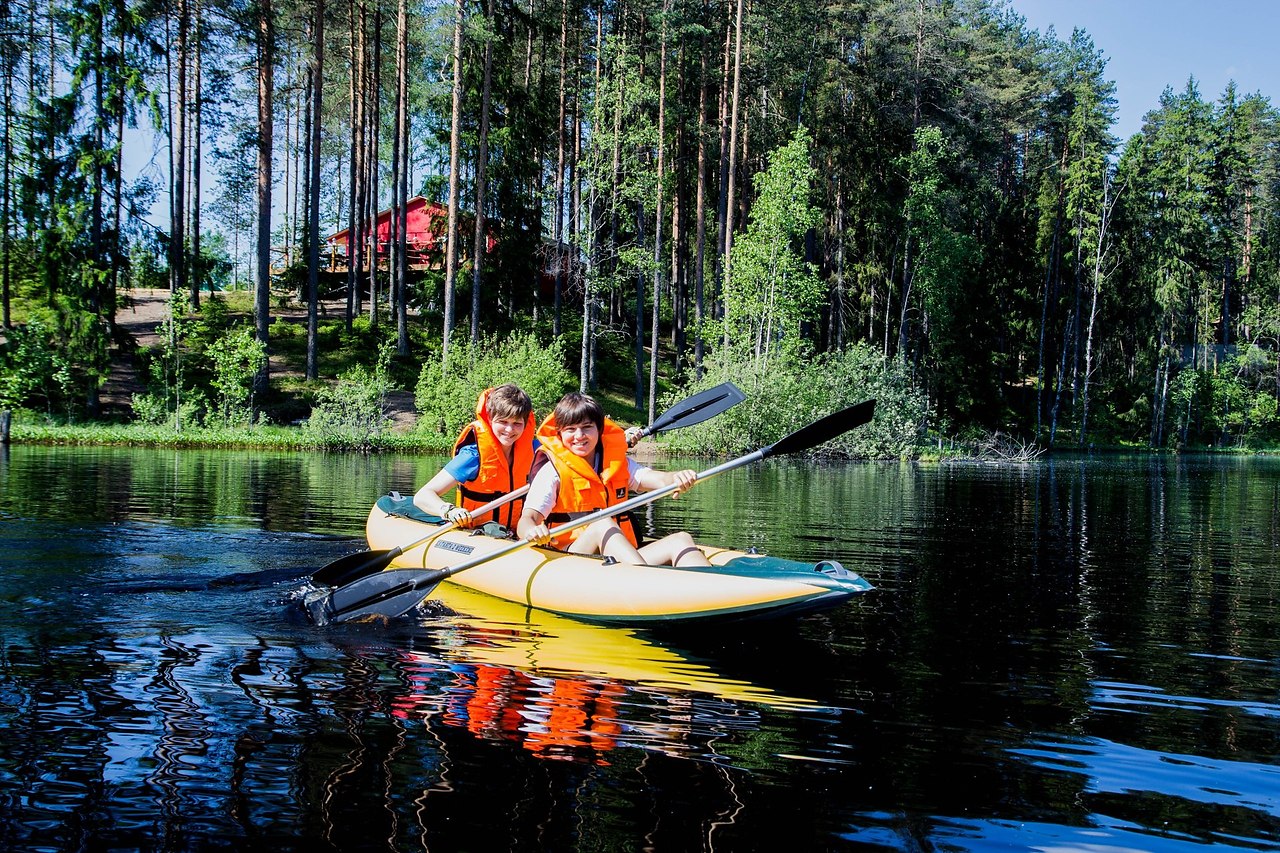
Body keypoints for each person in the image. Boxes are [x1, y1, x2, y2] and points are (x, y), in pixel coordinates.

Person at [517, 392, 711, 568]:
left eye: (587, 428)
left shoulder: (617, 464)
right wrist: (532, 531)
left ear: (599, 430)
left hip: (617, 559)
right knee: (603, 524)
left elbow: (657, 480)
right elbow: (527, 519)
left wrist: (675, 477)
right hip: (570, 560)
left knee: (681, 540)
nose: (579, 436)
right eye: (571, 429)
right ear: (559, 433)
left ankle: (714, 596)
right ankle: (649, 585)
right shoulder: (552, 472)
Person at [414, 384, 536, 530]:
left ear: (525, 423)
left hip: (519, 534)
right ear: (490, 419)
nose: (509, 430)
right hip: (476, 534)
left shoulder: (535, 452)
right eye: (503, 422)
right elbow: (422, 496)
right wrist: (449, 510)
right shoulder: (472, 455)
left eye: (517, 423)